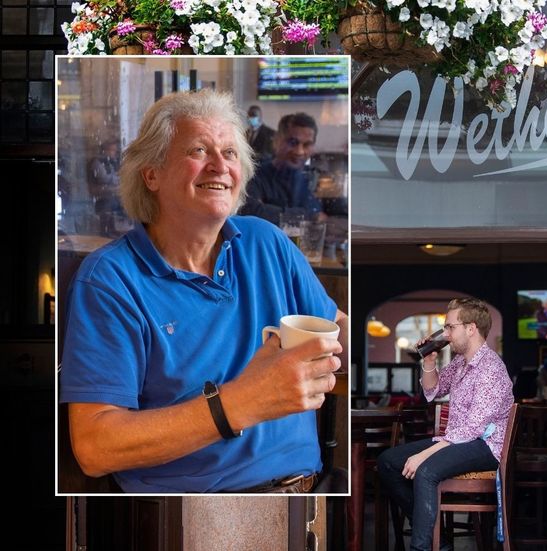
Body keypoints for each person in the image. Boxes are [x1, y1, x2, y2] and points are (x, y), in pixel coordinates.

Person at [59, 90, 348, 493]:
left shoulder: (267, 243)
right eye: (198, 149)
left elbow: (335, 330)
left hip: (303, 501)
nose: (219, 166)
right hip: (187, 516)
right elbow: (95, 448)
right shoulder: (110, 279)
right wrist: (242, 402)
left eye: (230, 153)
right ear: (152, 174)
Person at [377, 298, 514, 551]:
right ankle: (439, 542)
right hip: (457, 440)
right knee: (387, 462)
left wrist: (424, 454)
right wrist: (429, 361)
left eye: (450, 327)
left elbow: (473, 430)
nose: (446, 333)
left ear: (471, 328)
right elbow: (434, 389)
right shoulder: (460, 364)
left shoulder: (491, 368)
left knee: (426, 470)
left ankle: (421, 547)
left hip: (485, 446)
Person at [241, 112, 326, 224]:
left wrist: (273, 211)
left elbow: (319, 215)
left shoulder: (309, 178)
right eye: (293, 142)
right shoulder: (255, 174)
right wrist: (306, 216)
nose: (299, 151)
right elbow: (251, 212)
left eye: (307, 145)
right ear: (277, 141)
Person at [89, 139, 124, 234]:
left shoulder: (111, 162)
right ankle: (104, 230)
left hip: (109, 191)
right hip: (100, 193)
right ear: (105, 150)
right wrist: (117, 177)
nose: (114, 153)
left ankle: (112, 228)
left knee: (115, 203)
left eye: (115, 150)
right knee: (107, 205)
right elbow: (103, 178)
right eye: (112, 150)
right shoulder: (97, 162)